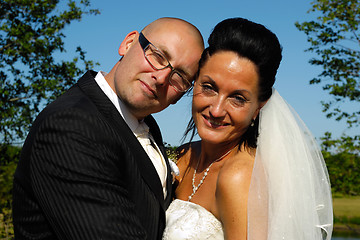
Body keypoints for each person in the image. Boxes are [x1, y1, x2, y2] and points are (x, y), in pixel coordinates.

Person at [12, 17, 204, 240]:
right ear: (129, 43)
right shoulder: (71, 126)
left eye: (179, 77)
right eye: (158, 56)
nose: (161, 78)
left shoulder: (147, 124)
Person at [162, 18, 333, 240]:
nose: (216, 110)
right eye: (209, 87)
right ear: (195, 81)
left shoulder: (239, 176)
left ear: (258, 107)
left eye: (238, 98)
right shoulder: (184, 156)